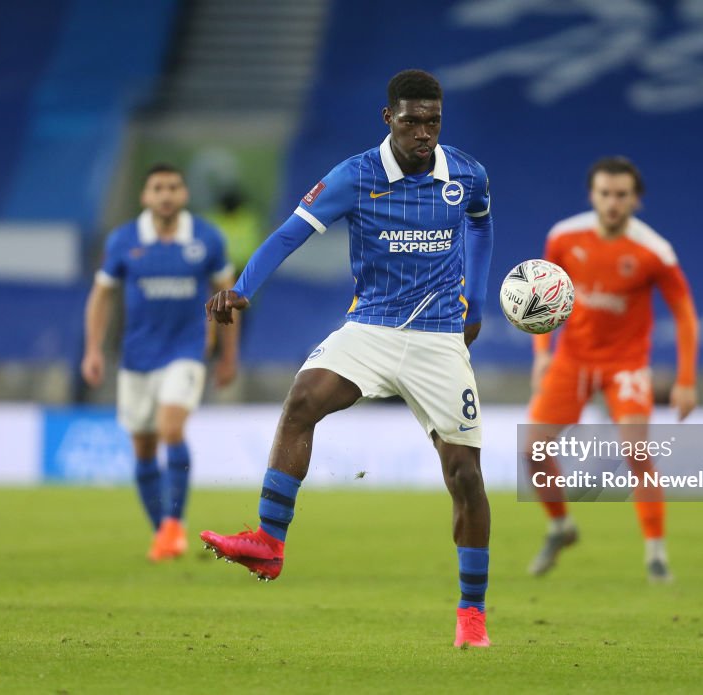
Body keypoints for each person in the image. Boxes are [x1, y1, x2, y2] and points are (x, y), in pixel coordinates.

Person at [200, 69, 494, 648]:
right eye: (412, 121)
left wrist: (475, 301)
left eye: (433, 122)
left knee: (464, 473)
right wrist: (243, 287)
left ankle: (471, 615)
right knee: (302, 401)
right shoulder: (354, 176)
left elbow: (481, 226)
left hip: (439, 339)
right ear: (389, 119)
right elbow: (290, 233)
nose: (424, 134)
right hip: (371, 328)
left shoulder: (467, 173)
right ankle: (269, 541)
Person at [525, 156, 698, 581]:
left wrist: (686, 380)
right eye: (605, 194)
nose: (612, 203)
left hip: (625, 365)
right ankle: (561, 526)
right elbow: (543, 294)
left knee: (636, 453)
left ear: (636, 200)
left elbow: (685, 315)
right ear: (593, 195)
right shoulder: (564, 237)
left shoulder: (654, 252)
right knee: (531, 450)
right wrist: (542, 352)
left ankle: (656, 555)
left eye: (621, 195)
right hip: (572, 359)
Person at [82, 163, 238, 562]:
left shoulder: (205, 239)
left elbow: (228, 298)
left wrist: (227, 354)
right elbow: (101, 295)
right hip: (136, 357)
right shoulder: (124, 240)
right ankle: (164, 532)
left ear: (184, 195)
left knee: (172, 428)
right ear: (145, 197)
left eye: (173, 187)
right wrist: (94, 349)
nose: (166, 194)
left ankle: (173, 526)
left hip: (186, 350)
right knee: (144, 448)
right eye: (158, 188)